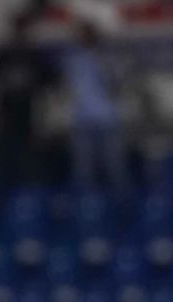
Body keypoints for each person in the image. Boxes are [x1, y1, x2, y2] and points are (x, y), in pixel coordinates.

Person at [0, 11, 54, 191]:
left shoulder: (35, 57)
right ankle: (4, 193)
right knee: (5, 157)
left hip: (28, 112)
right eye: (18, 29)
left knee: (29, 157)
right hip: (5, 112)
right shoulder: (1, 55)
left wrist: (46, 113)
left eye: (24, 29)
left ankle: (29, 194)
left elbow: (48, 85)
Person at [60, 17, 133, 193]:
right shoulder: (72, 59)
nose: (84, 37)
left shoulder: (108, 57)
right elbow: (66, 87)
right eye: (81, 35)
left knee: (115, 166)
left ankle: (119, 203)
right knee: (84, 168)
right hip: (82, 119)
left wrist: (105, 68)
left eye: (88, 34)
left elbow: (118, 85)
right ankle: (87, 205)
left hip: (108, 118)